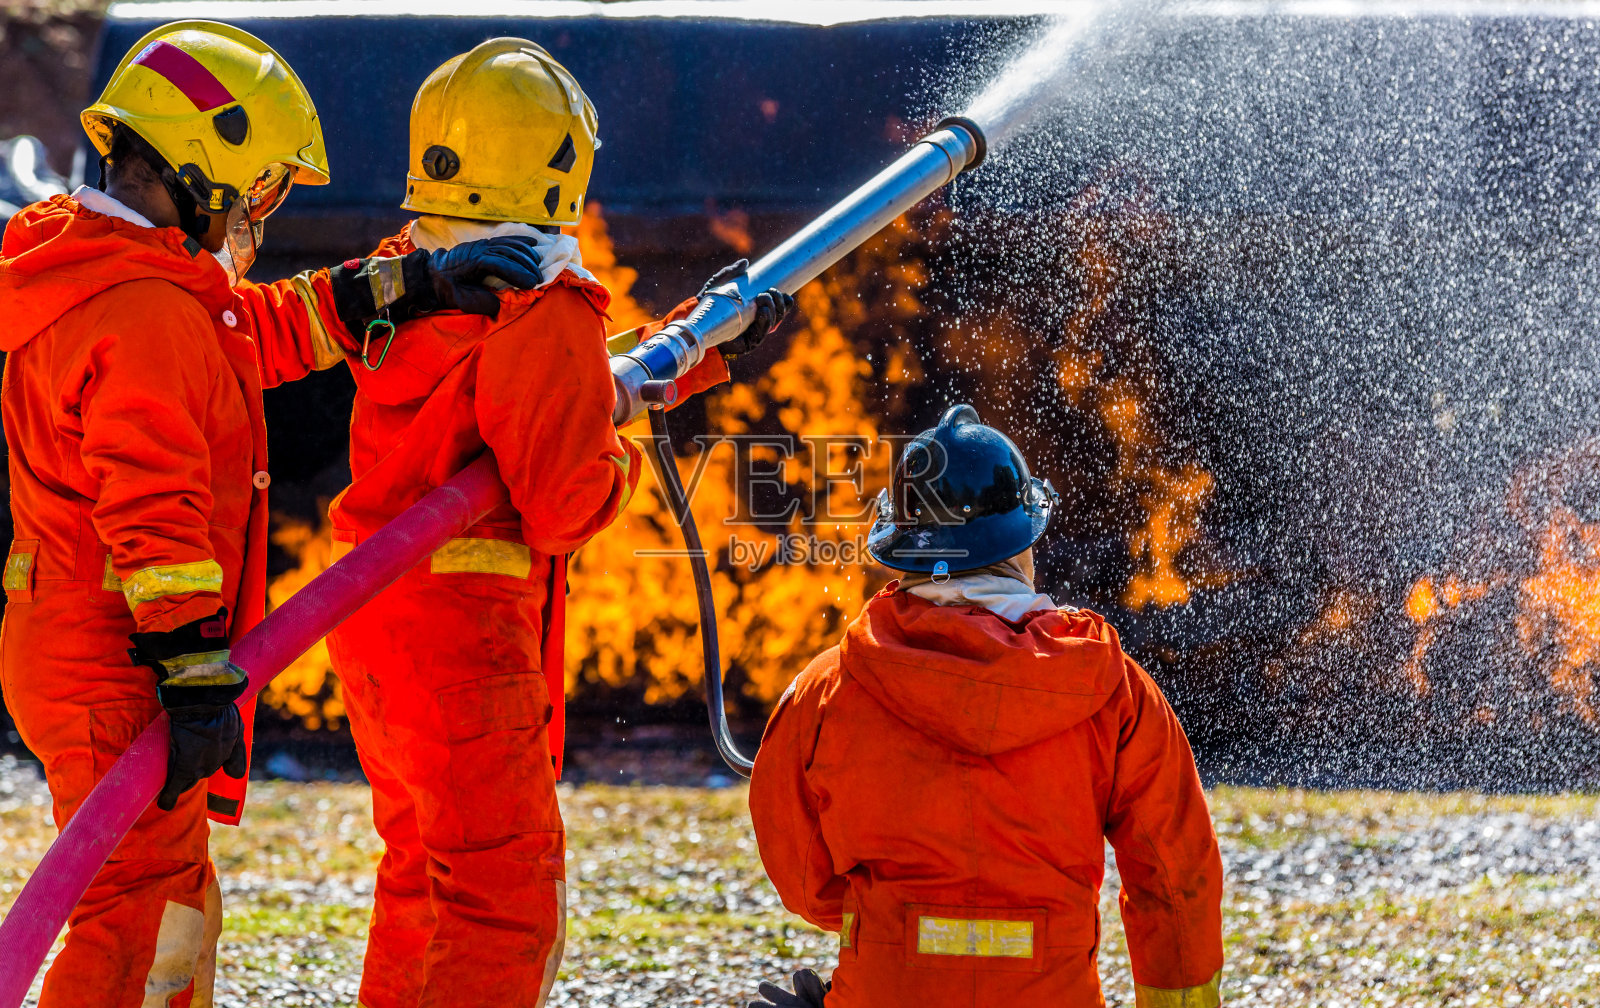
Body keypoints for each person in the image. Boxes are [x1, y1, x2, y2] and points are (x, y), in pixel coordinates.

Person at [0, 22, 542, 1006]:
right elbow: (153, 502)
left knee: (163, 897)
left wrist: (406, 285)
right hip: (116, 652)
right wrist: (190, 669)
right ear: (204, 164)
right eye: (260, 189)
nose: (260, 213)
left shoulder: (116, 272)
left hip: (85, 638)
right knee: (136, 910)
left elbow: (256, 331)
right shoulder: (143, 314)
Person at [317, 38, 792, 1008]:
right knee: (501, 898)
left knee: (424, 876)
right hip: (465, 639)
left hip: (375, 621)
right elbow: (565, 498)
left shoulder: (406, 275)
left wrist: (694, 349)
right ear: (560, 163)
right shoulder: (543, 300)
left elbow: (522, 389)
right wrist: (616, 454)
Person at [746, 405, 1225, 1008]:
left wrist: (890, 924)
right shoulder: (1113, 689)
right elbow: (1176, 878)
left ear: (903, 546)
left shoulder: (825, 688)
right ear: (1021, 542)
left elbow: (801, 873)